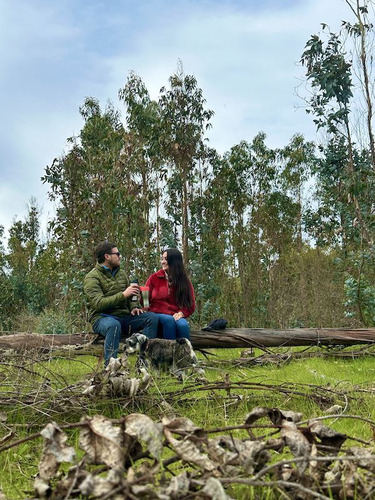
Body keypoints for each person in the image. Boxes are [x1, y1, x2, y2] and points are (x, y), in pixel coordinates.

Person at [84, 241, 159, 366]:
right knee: (113, 325)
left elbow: (130, 298)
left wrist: (134, 307)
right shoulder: (92, 278)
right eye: (117, 254)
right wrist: (123, 294)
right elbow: (98, 304)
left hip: (123, 317)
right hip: (102, 318)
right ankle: (111, 368)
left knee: (151, 318)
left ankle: (143, 361)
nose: (120, 257)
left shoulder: (121, 274)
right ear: (107, 256)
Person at [146, 248, 195, 340]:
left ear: (174, 261)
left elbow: (191, 304)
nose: (163, 262)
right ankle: (170, 352)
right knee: (169, 320)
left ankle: (186, 353)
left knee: (183, 325)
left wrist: (182, 313)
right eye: (162, 259)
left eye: (166, 259)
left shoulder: (184, 281)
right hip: (157, 313)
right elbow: (145, 300)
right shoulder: (154, 278)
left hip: (175, 314)